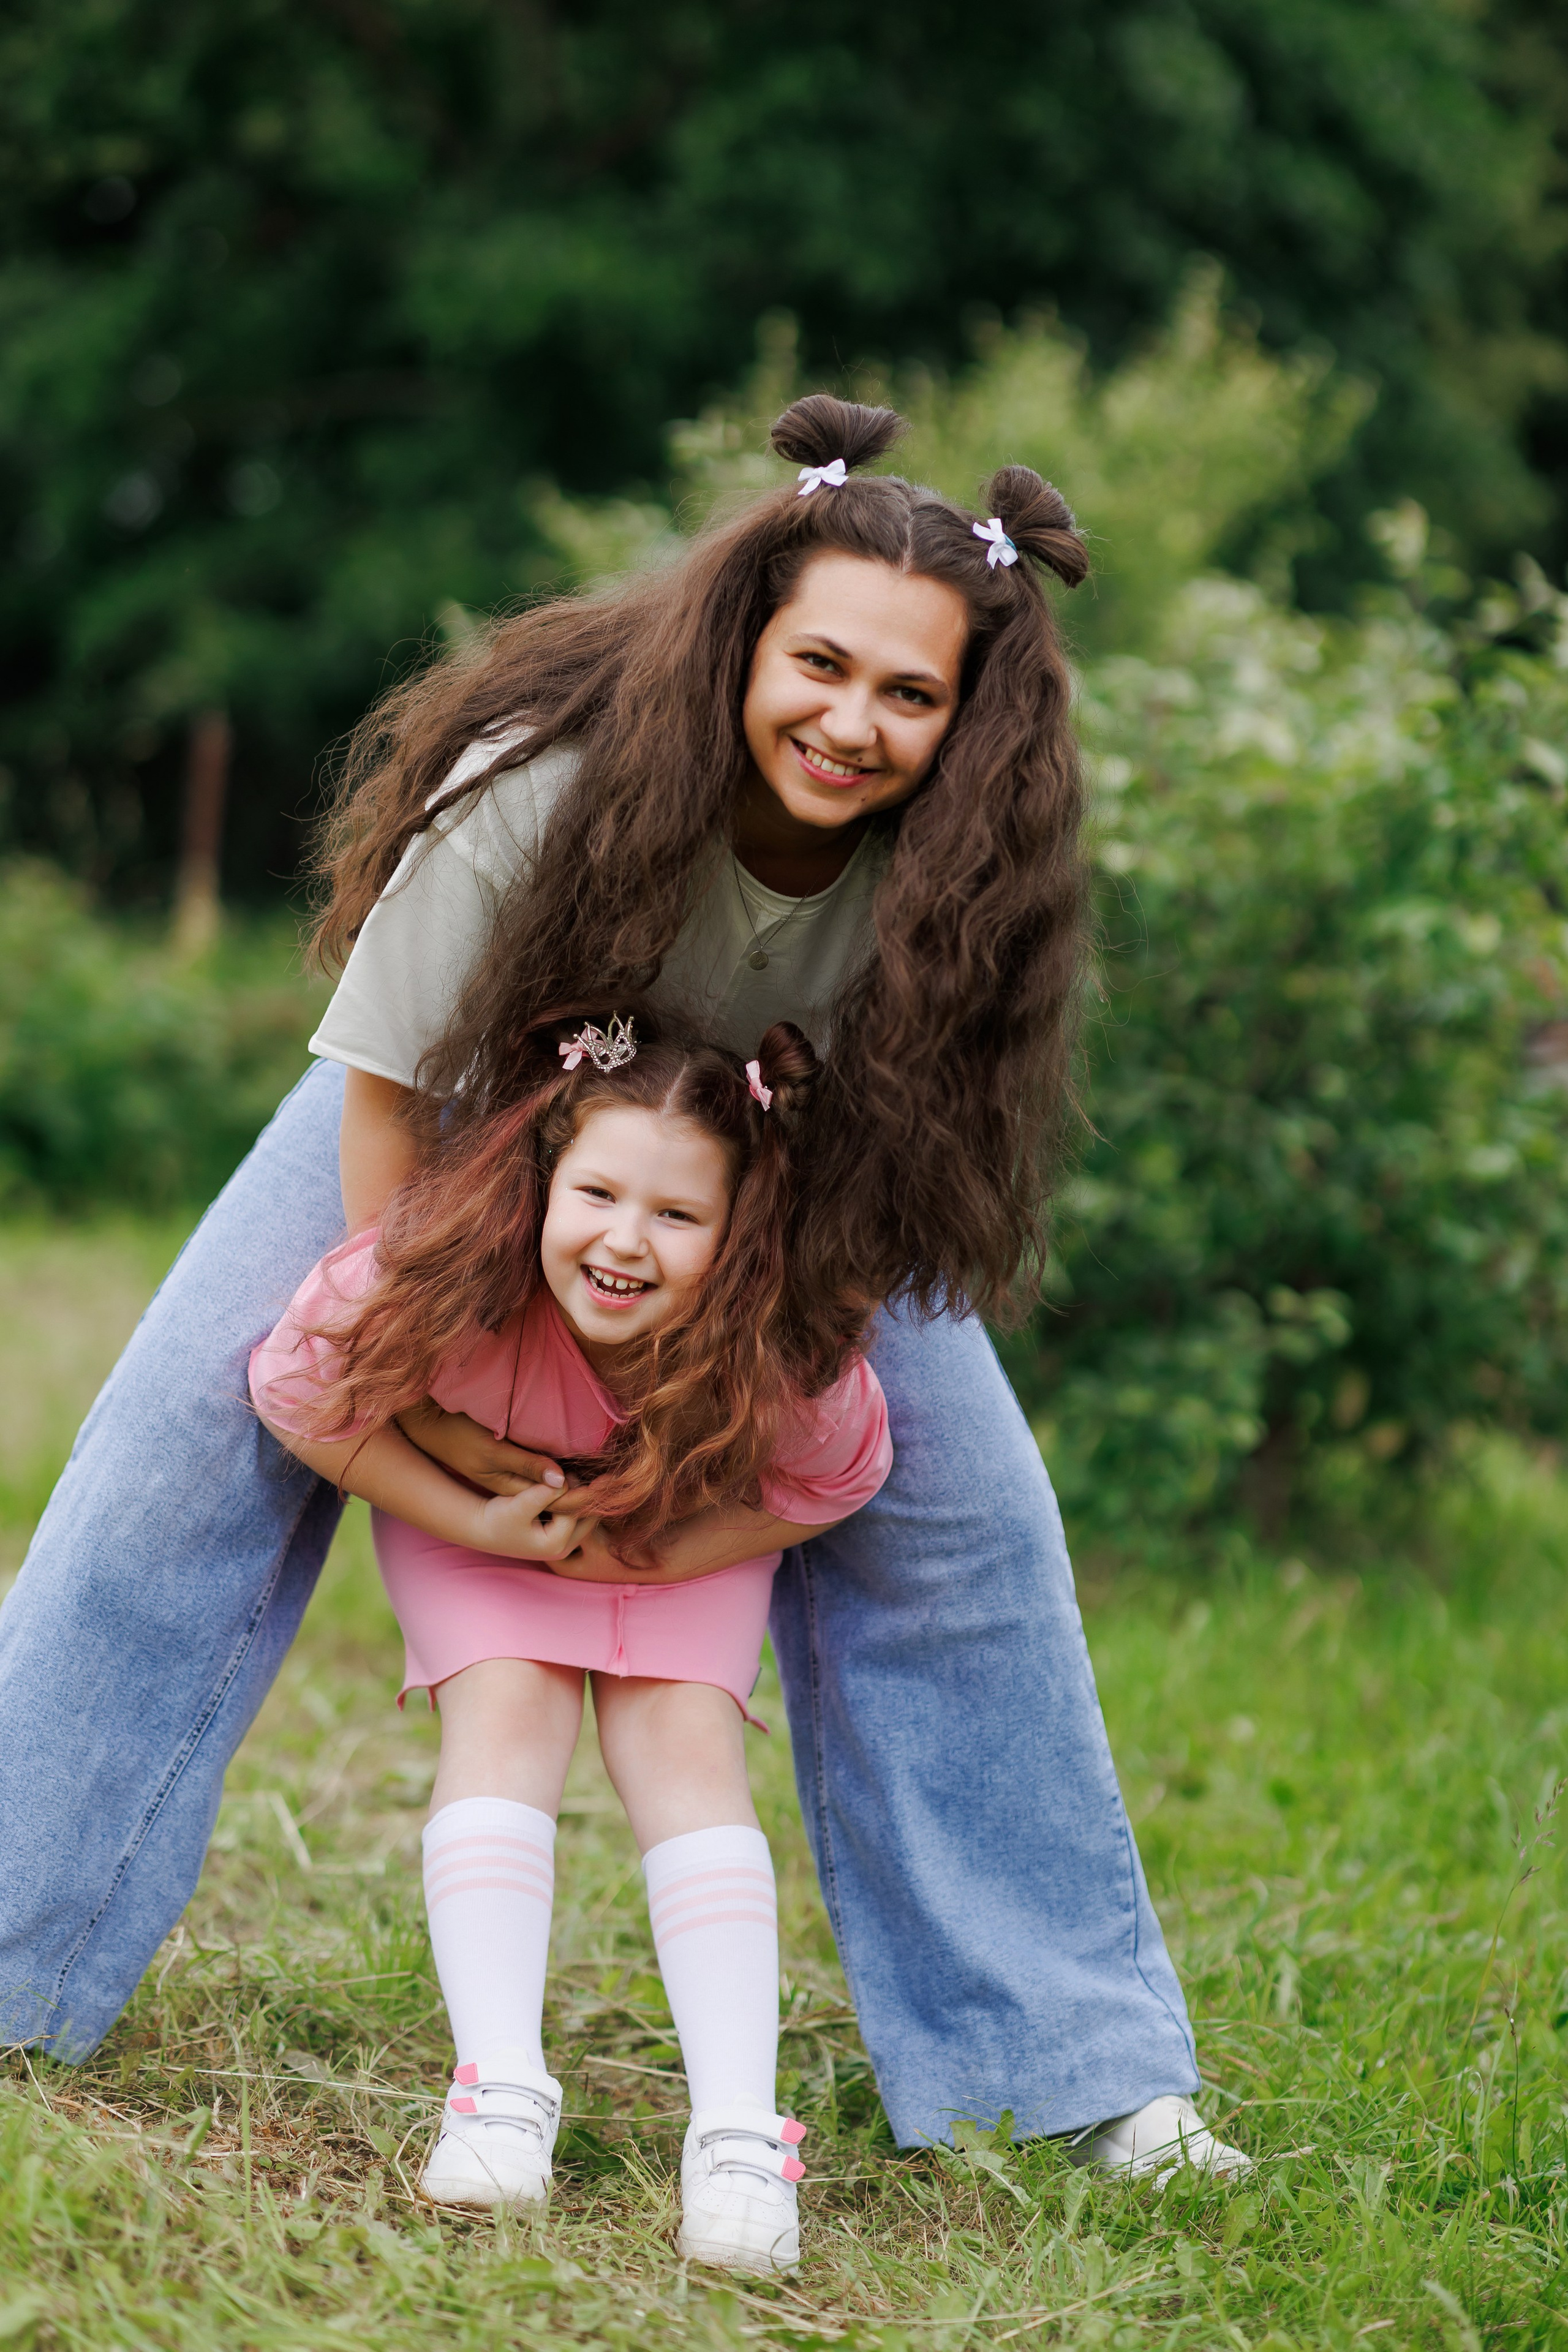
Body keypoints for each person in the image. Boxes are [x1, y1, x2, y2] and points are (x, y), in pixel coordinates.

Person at [0, 392, 1245, 2180]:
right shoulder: (548, 779)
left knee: (973, 1532)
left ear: (969, 719)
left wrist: (729, 1426)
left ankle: (1073, 2067)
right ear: (748, 636)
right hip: (449, 1127)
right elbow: (382, 1091)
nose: (854, 721)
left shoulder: (956, 889)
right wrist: (408, 1375)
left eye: (913, 695)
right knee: (185, 1437)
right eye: (821, 665)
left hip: (779, 1182)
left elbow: (894, 1190)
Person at [251, 1010, 890, 2270]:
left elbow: (831, 1477)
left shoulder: (777, 1346)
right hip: (479, 1532)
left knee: (686, 1749)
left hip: (672, 1536)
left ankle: (738, 2137)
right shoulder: (437, 1271)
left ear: (738, 1231)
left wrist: (643, 1551)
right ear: (541, 1178)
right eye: (595, 1192)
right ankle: (499, 2091)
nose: (622, 1241)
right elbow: (297, 1391)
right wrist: (473, 1515)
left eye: (675, 1216)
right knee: (506, 1715)